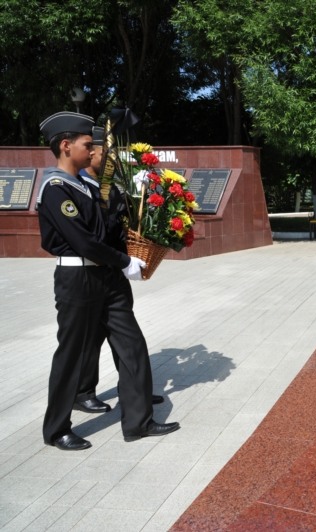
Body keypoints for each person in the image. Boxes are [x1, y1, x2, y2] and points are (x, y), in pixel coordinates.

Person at [36, 111, 179, 450]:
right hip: (78, 278)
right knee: (72, 354)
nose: (92, 150)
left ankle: (138, 422)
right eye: (88, 145)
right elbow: (85, 242)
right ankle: (56, 430)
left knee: (131, 344)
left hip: (107, 277)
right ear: (66, 146)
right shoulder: (55, 189)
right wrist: (125, 261)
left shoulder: (85, 187)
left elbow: (107, 231)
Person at [73, 126, 164, 414]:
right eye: (106, 154)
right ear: (91, 154)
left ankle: (135, 391)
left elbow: (124, 223)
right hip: (90, 273)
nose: (111, 160)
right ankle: (82, 391)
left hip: (114, 271)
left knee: (124, 337)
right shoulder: (80, 186)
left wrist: (141, 197)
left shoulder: (110, 187)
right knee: (91, 337)